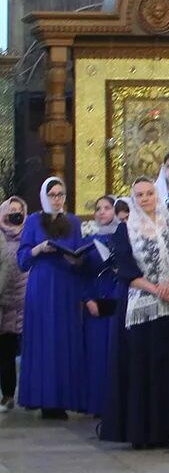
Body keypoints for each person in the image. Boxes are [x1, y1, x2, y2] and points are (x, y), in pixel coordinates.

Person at [101, 178, 169, 450]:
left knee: (165, 367)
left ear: (157, 194)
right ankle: (141, 432)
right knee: (140, 370)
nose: (145, 199)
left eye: (149, 193)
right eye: (139, 195)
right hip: (138, 307)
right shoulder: (125, 230)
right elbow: (126, 271)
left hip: (166, 306)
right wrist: (155, 289)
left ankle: (166, 431)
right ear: (133, 199)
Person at [17, 178, 88, 419]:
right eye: (53, 195)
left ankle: (64, 398)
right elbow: (22, 259)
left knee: (64, 340)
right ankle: (43, 398)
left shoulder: (73, 222)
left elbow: (80, 256)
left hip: (66, 286)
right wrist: (39, 249)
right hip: (42, 285)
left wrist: (75, 259)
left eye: (61, 194)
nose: (57, 199)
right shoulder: (34, 221)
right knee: (43, 339)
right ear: (44, 197)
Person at [0, 195, 25, 411]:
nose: (15, 213)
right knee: (6, 352)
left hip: (27, 300)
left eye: (18, 210)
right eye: (11, 209)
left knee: (30, 351)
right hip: (5, 300)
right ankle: (7, 394)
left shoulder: (29, 234)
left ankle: (31, 394)